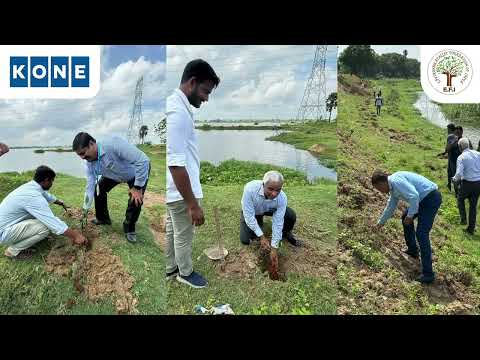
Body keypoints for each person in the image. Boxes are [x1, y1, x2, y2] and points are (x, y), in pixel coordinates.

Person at [166, 59, 220, 289]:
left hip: (174, 191)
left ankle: (169, 268)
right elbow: (176, 165)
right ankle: (185, 273)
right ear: (192, 82)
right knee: (183, 235)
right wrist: (192, 205)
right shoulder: (177, 113)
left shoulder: (176, 107)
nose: (206, 98)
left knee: (172, 229)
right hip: (181, 192)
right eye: (205, 91)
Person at [72, 132, 151, 243]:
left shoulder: (113, 144)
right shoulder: (89, 163)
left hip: (134, 173)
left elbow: (143, 161)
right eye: (79, 155)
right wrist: (85, 208)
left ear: (91, 143)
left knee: (136, 199)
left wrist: (137, 187)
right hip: (113, 175)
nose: (82, 158)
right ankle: (103, 219)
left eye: (83, 153)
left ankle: (129, 229)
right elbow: (89, 186)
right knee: (98, 188)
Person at [0, 166, 86, 260]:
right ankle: (12, 251)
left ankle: (25, 238)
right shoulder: (34, 197)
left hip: (7, 226)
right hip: (4, 232)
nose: (52, 183)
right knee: (45, 227)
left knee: (40, 221)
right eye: (52, 181)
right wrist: (76, 236)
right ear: (46, 180)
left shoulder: (31, 186)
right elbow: (52, 222)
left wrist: (60, 203)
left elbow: (46, 195)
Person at [372, 170, 442, 284]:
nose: (380, 191)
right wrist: (381, 222)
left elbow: (414, 196)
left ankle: (428, 274)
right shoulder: (392, 188)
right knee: (405, 217)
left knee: (421, 233)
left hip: (430, 198)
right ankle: (413, 250)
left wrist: (410, 216)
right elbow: (390, 207)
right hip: (422, 199)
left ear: (382, 182)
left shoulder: (396, 181)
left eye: (379, 188)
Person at [240, 171, 301, 274]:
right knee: (245, 240)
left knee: (290, 215)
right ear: (263, 184)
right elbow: (249, 216)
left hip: (269, 209)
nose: (274, 194)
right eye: (271, 189)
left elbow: (278, 223)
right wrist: (262, 236)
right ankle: (258, 223)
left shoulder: (282, 197)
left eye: (278, 190)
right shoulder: (250, 189)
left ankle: (286, 232)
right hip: (253, 212)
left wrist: (274, 248)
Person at [452, 138, 480, 235]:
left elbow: (459, 174)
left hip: (467, 183)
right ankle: (471, 228)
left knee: (460, 199)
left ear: (460, 147)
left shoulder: (461, 157)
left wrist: (454, 179)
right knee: (473, 206)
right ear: (468, 145)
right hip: (478, 183)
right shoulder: (478, 154)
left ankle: (463, 219)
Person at [437, 123, 457, 192]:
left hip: (453, 158)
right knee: (451, 172)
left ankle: (456, 191)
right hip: (455, 157)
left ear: (451, 129)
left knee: (452, 173)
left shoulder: (450, 136)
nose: (447, 131)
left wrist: (444, 152)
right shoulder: (456, 136)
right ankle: (450, 186)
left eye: (448, 129)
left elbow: (448, 148)